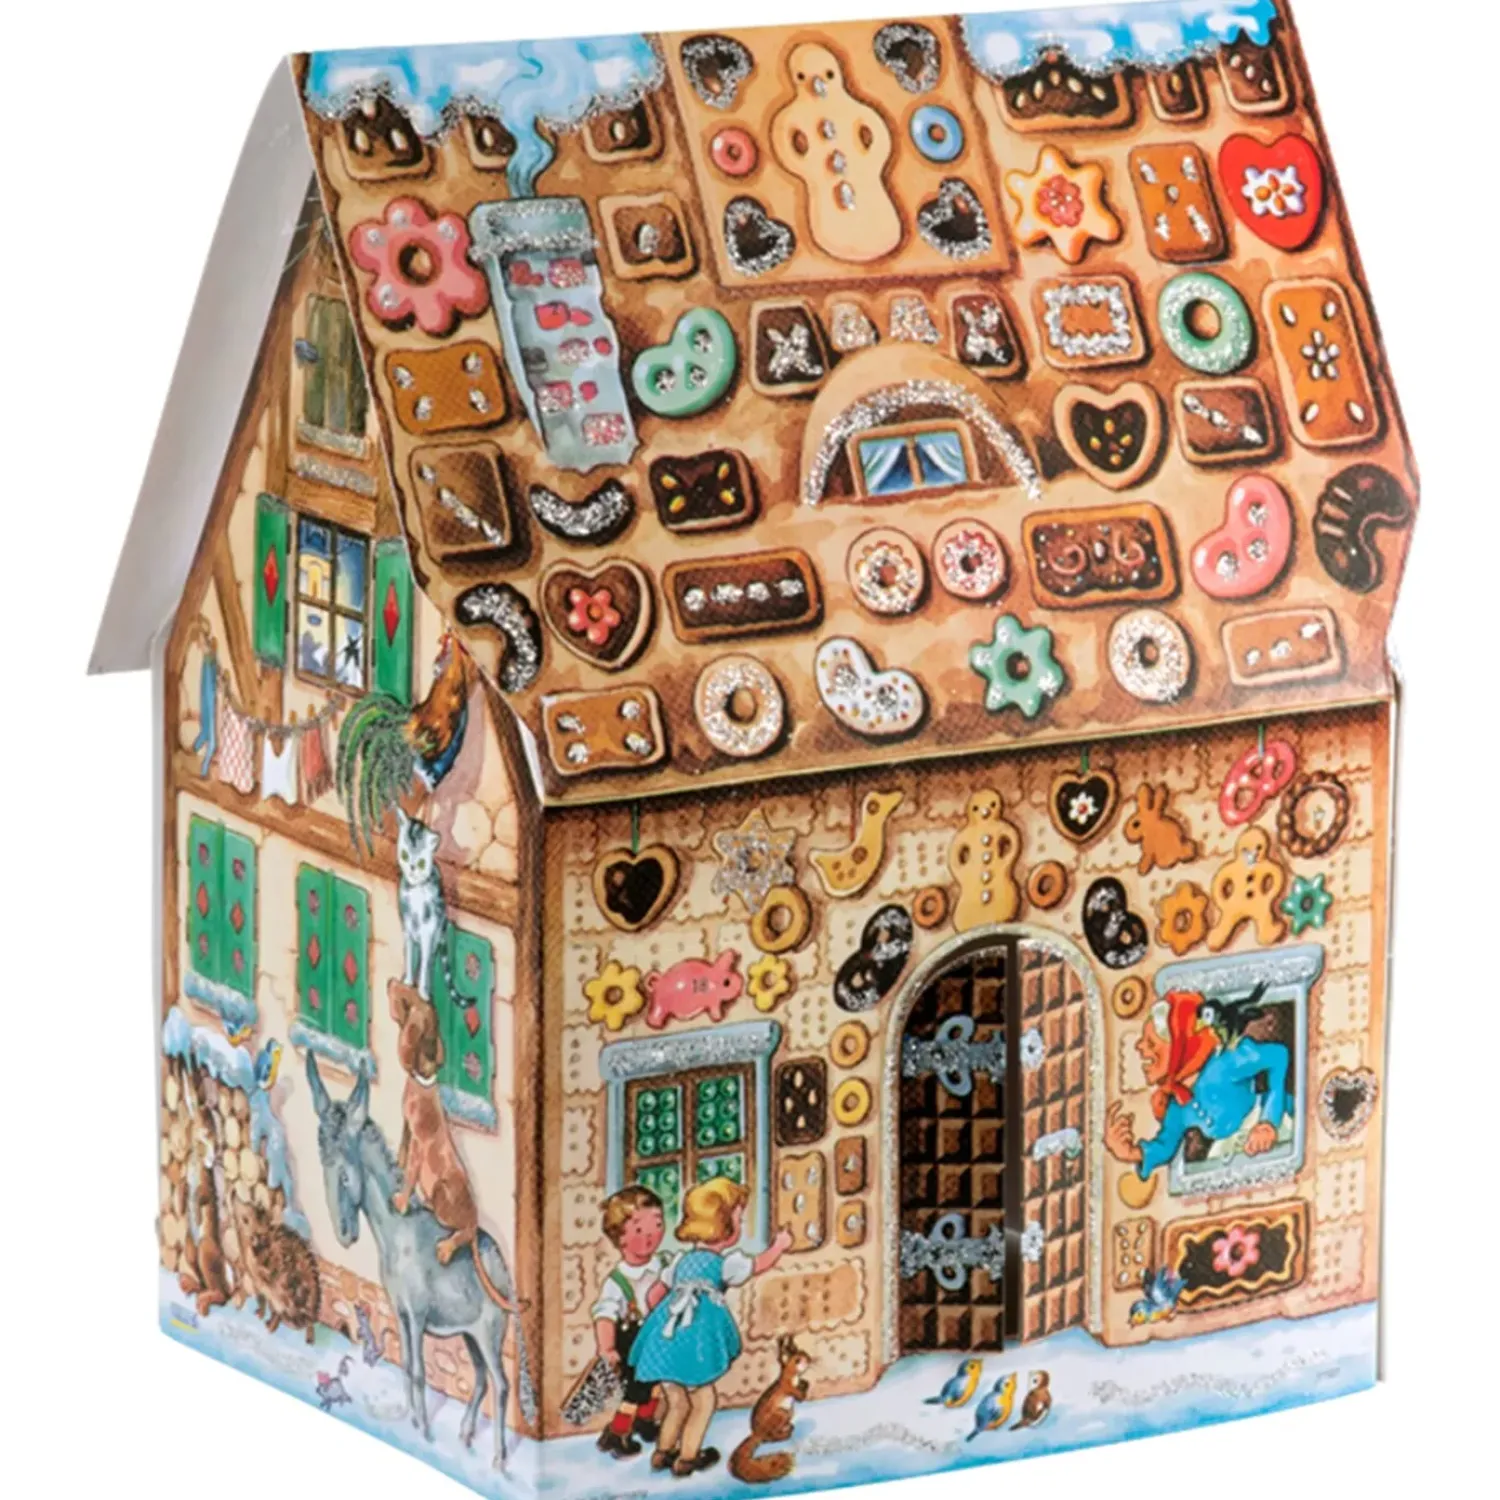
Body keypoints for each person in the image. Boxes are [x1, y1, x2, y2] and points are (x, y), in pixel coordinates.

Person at [630, 1177, 793, 1478]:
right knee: (703, 1401)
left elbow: (653, 1296)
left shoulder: (679, 1262)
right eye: (738, 1219)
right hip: (694, 1345)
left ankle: (662, 1453)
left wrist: (665, 1323)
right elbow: (759, 1264)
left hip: (665, 1342)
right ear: (724, 1226)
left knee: (676, 1401)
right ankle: (687, 1458)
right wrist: (779, 1246)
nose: (740, 1225)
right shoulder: (725, 1264)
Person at [1106, 990, 1290, 1181]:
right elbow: (1165, 1146)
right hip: (1232, 1155)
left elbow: (1278, 1056)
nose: (1139, 1048)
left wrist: (1269, 1121)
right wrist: (1131, 1153)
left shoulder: (1225, 1062)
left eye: (1151, 1044)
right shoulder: (1178, 1104)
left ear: (1182, 1047)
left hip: (1272, 1128)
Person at [592, 1185, 666, 1458]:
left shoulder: (663, 1267)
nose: (650, 1235)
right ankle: (617, 1433)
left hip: (658, 1336)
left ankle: (645, 1420)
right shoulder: (617, 1281)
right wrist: (607, 1348)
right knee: (635, 1391)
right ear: (619, 1237)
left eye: (657, 1225)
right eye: (639, 1229)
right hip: (633, 1342)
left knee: (656, 1384)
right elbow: (605, 1314)